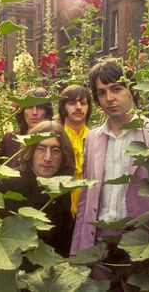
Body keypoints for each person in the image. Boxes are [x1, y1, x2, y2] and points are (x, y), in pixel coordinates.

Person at [70, 60, 149, 287]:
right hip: (100, 245)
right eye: (102, 92)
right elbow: (86, 198)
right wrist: (78, 252)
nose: (109, 98)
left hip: (144, 242)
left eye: (116, 89)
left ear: (131, 89)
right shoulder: (93, 139)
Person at [0, 120, 75, 258]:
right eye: (41, 148)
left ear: (63, 156)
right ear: (31, 151)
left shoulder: (63, 188)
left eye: (55, 150)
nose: (48, 158)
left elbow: (64, 243)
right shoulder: (6, 183)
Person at [0, 87, 53, 168]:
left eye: (40, 107)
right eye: (29, 107)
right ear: (22, 111)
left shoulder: (54, 140)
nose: (34, 112)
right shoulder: (10, 139)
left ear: (47, 112)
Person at [58, 85, 92, 216]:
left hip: (90, 212)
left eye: (83, 103)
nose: (78, 107)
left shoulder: (96, 138)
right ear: (63, 108)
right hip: (61, 212)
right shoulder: (55, 138)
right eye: (72, 103)